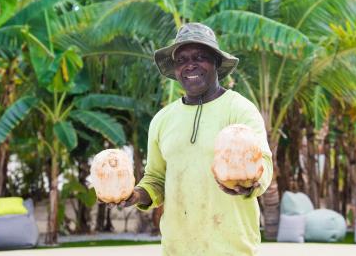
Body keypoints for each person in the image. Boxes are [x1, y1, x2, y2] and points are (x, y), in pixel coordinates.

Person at [114, 23, 273, 255]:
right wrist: (135, 195)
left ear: (216, 63)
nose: (190, 65)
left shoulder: (239, 110)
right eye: (182, 60)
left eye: (201, 57)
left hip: (232, 248)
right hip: (178, 249)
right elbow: (156, 178)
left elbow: (264, 166)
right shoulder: (162, 120)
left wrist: (250, 184)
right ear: (176, 69)